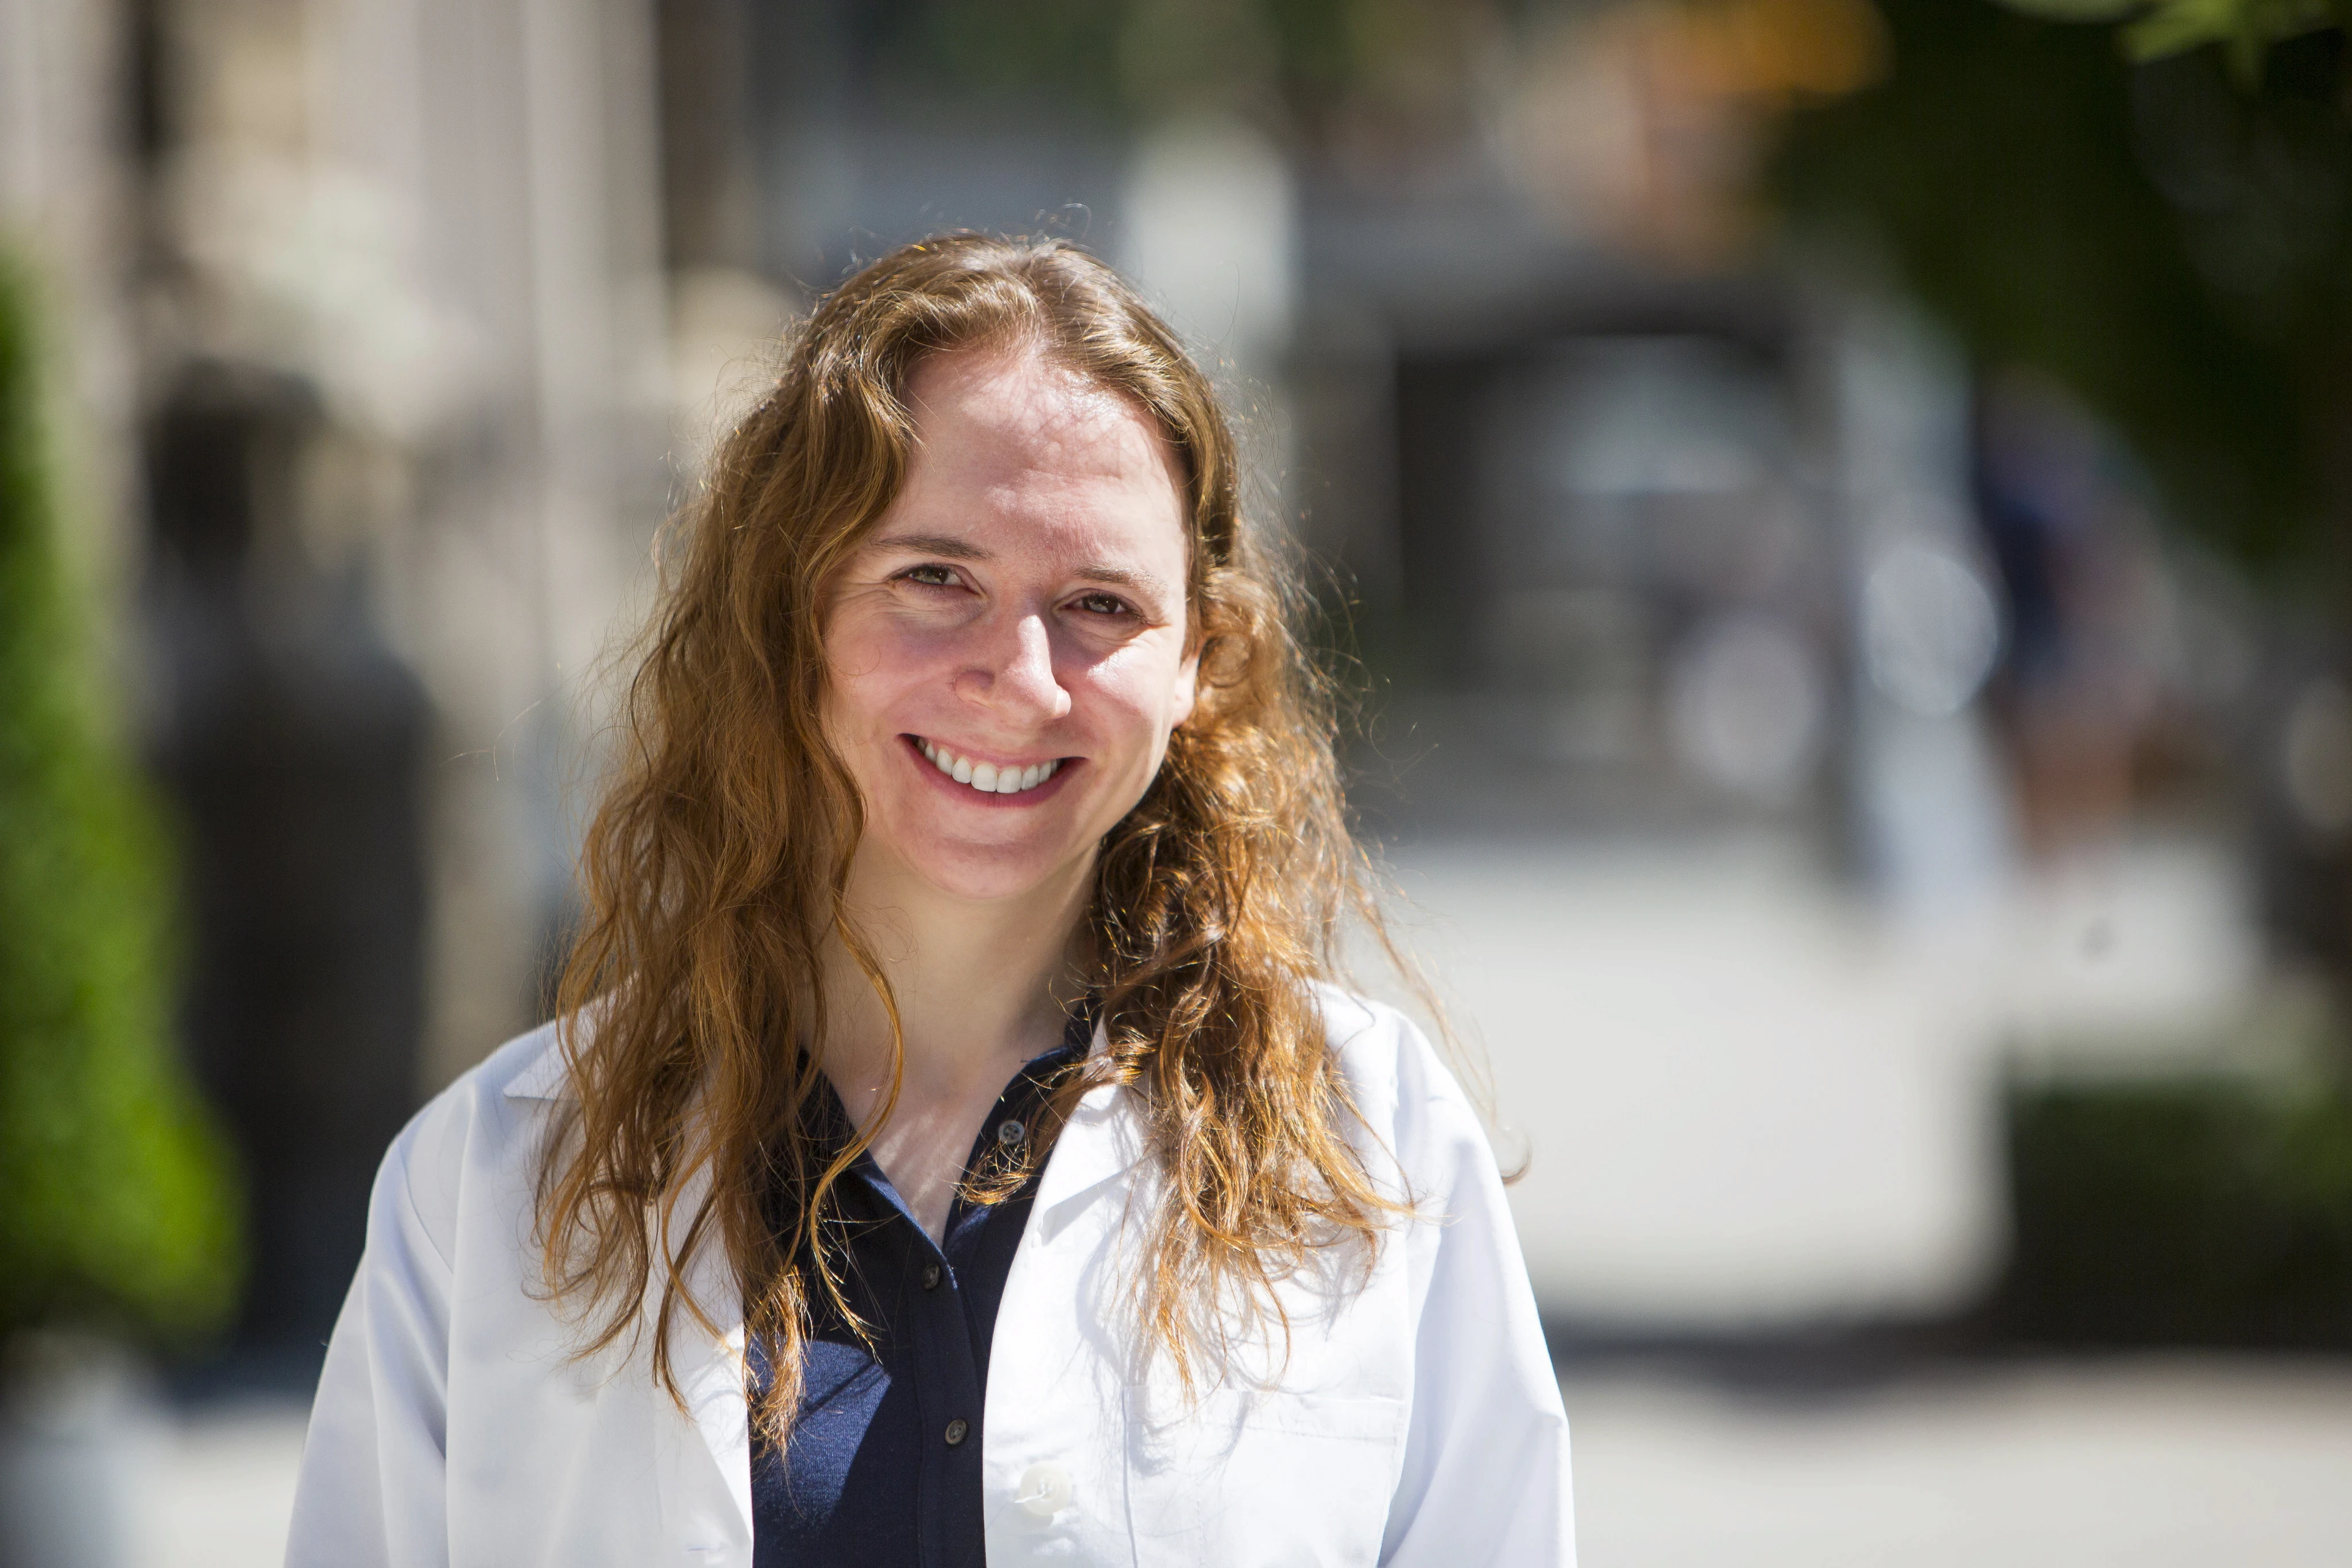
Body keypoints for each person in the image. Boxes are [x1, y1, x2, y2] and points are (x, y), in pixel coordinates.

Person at [285, 234, 1572, 1567]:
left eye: (1098, 602)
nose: (1019, 678)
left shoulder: (1370, 1148)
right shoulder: (493, 1180)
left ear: (1203, 658)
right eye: (935, 578)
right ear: (791, 617)